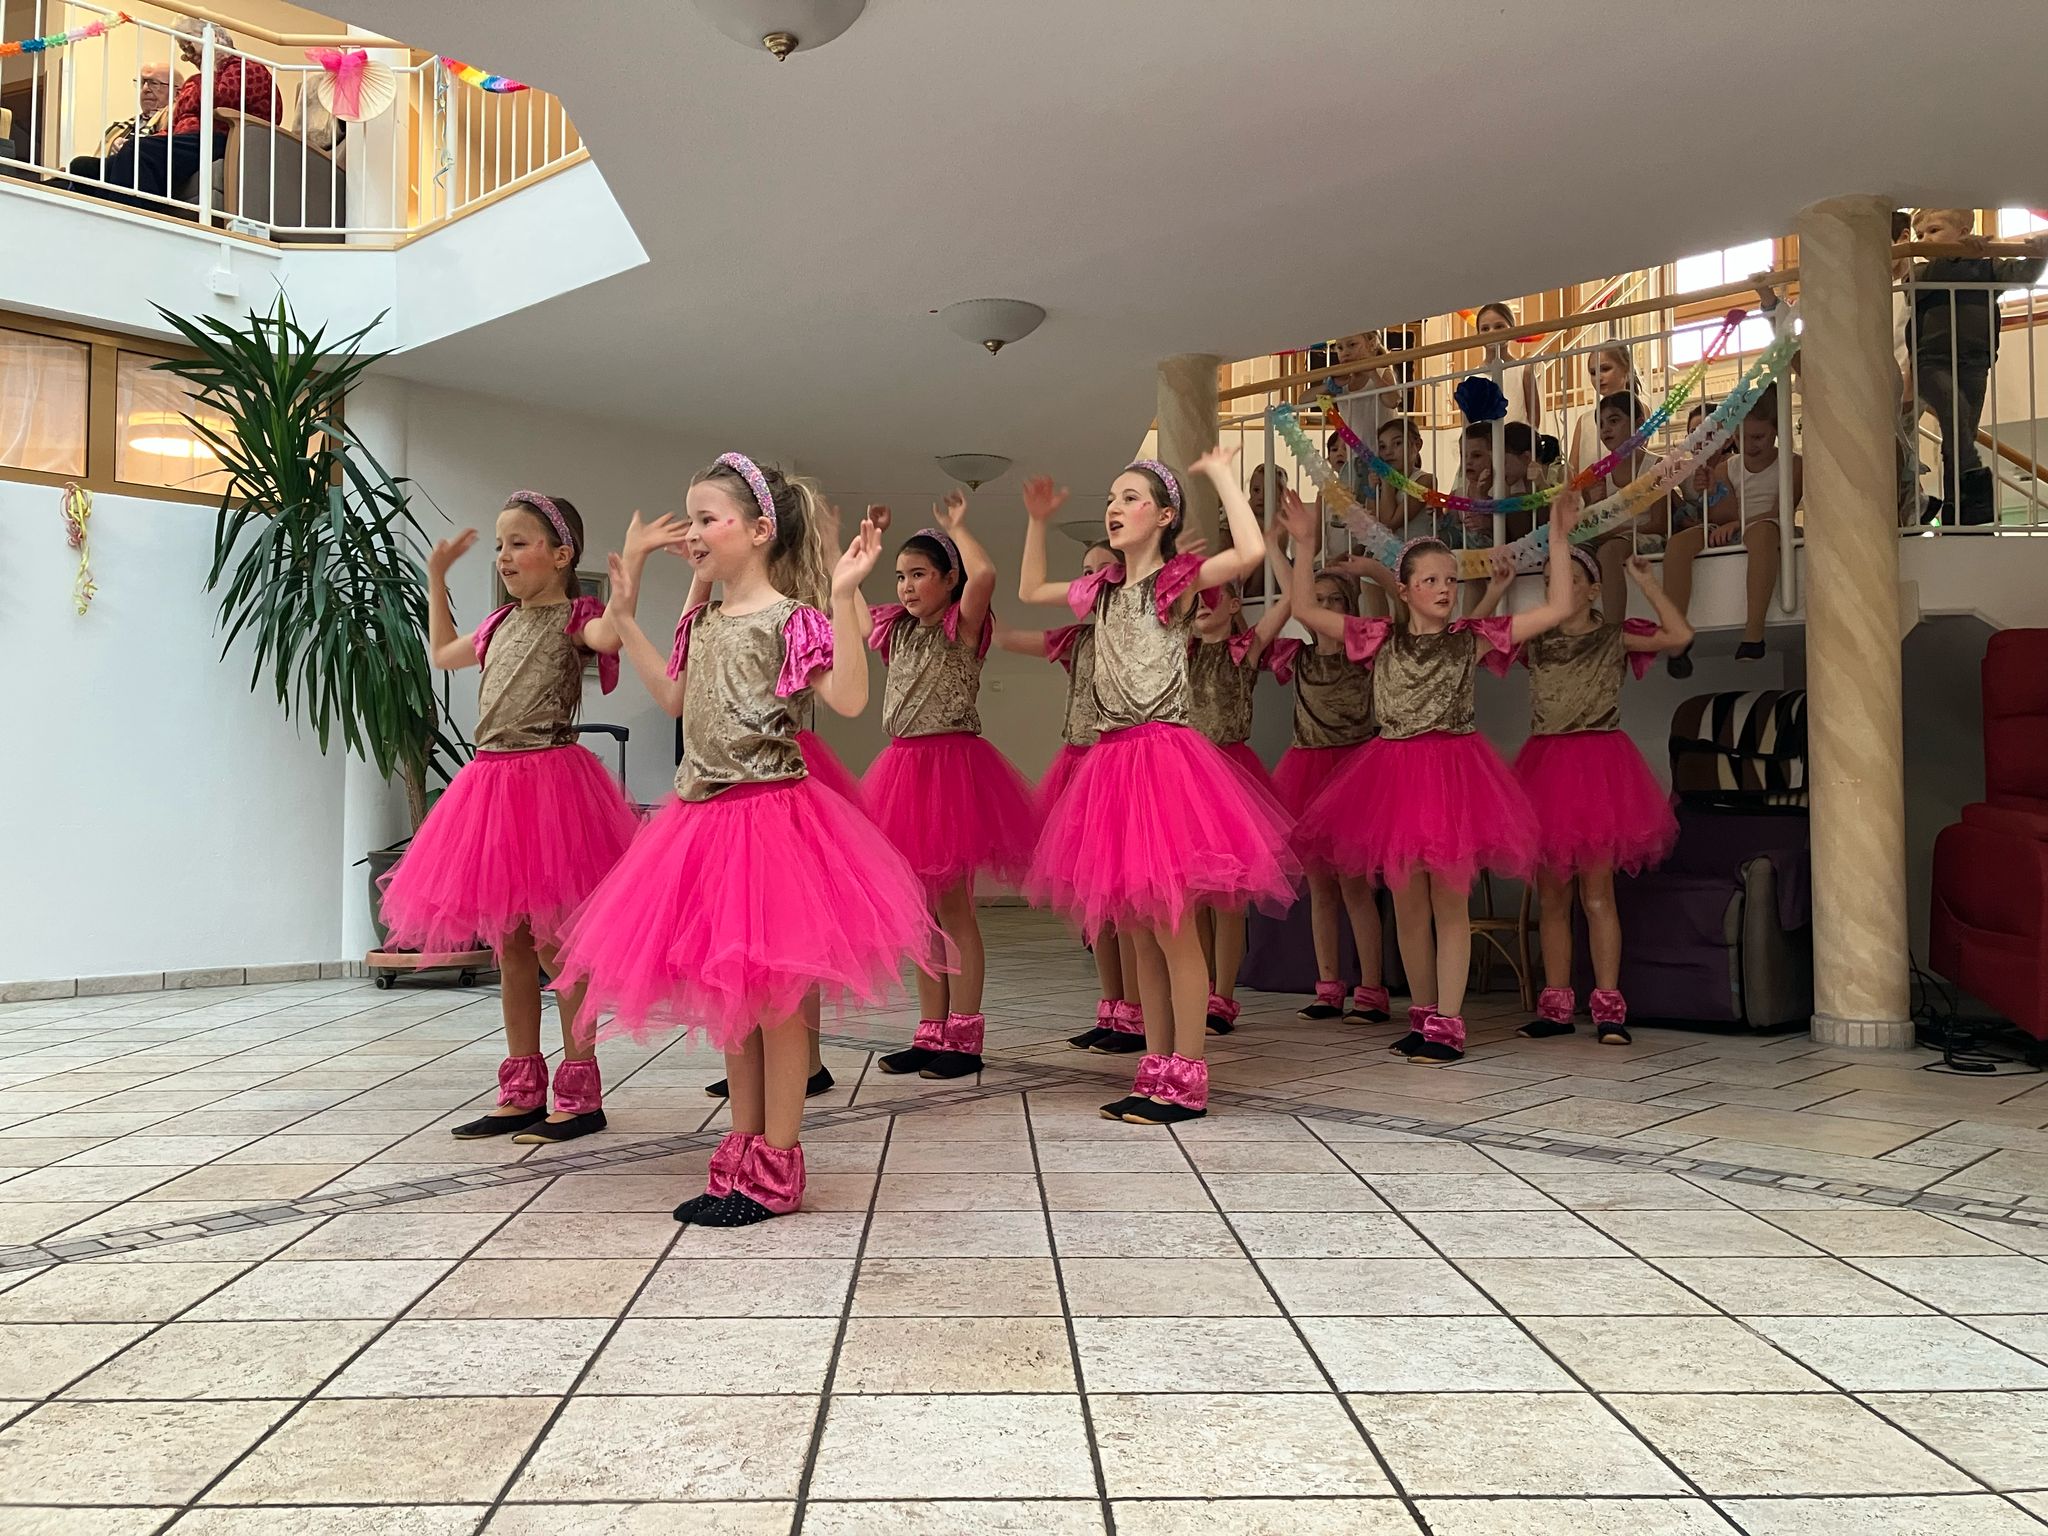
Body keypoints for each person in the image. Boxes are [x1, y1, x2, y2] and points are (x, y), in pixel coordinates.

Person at [550, 455, 942, 1227]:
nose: (693, 533)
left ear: (760, 530)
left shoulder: (791, 620)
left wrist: (842, 594)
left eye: (708, 519)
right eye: (691, 518)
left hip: (772, 823)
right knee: (734, 1001)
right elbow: (674, 697)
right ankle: (741, 1147)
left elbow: (850, 698)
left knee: (779, 1007)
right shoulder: (702, 620)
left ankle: (778, 1164)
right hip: (703, 822)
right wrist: (625, 617)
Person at [1020, 453, 1300, 1123]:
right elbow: (1030, 588)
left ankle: (1187, 1078)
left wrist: (1224, 477)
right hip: (1112, 760)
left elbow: (1249, 552)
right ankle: (1154, 1068)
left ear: (1165, 515)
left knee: (1174, 931)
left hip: (1163, 759)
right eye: (1111, 498)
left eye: (1131, 498)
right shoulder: (1102, 591)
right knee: (1141, 931)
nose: (1114, 508)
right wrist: (1037, 522)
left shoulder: (1175, 582)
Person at [1283, 487, 1581, 1064]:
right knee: (1409, 907)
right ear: (1405, 590)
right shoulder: (1378, 638)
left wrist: (1561, 538)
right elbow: (1305, 611)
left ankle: (1448, 1023)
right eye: (1431, 581)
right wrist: (1302, 544)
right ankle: (1423, 1016)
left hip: (1452, 777)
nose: (1445, 589)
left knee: (1449, 905)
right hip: (1393, 778)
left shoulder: (1470, 639)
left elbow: (1557, 608)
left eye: (1451, 580)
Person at [378, 492, 638, 1145]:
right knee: (512, 946)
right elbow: (444, 653)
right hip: (491, 786)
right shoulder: (498, 624)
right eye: (500, 545)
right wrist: (436, 579)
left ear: (561, 554)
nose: (504, 555)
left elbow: (610, 637)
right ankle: (521, 1089)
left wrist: (628, 580)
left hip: (549, 788)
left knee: (557, 945)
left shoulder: (575, 617)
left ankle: (581, 1092)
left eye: (519, 543)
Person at [1471, 545, 1690, 1045]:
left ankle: (1609, 1007)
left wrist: (1647, 584)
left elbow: (1679, 636)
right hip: (1546, 768)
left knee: (1596, 895)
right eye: (1550, 580)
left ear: (1592, 590)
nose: (1558, 588)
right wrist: (1496, 591)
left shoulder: (1613, 636)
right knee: (1552, 897)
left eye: (1569, 579)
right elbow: (1473, 644)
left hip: (1599, 771)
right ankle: (1556, 1007)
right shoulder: (1537, 640)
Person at [866, 493, 1041, 1082]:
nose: (907, 586)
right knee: (920, 911)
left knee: (953, 906)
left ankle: (964, 1037)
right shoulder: (897, 631)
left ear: (948, 580)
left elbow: (985, 574)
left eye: (919, 574)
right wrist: (862, 552)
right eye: (901, 576)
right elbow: (844, 608)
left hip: (950, 773)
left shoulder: (961, 627)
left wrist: (959, 527)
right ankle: (930, 1030)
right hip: (903, 769)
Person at [998, 541, 1145, 1055]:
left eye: (1104, 568)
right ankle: (1113, 1007)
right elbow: (1008, 638)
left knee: (1126, 901)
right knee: (1093, 901)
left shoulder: (1138, 626)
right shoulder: (1076, 639)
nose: (1093, 578)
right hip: (1079, 771)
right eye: (1085, 571)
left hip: (1122, 767)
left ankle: (1139, 1012)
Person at [1264, 542, 1391, 1028]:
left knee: (1356, 888)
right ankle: (1329, 988)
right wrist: (1278, 547)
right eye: (1317, 599)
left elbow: (1382, 611)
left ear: (1349, 606)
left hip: (1355, 773)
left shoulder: (1365, 653)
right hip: (1307, 772)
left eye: (1335, 599)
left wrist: (1373, 571)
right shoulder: (1297, 655)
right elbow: (1291, 593)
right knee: (1320, 889)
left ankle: (1372, 990)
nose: (1324, 606)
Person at [1187, 578, 1292, 1034]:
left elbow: (1288, 603)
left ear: (1234, 605)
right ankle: (1199, 986)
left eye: (1213, 596)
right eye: (1196, 597)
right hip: (1187, 778)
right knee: (1194, 896)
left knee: (1228, 899)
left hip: (1230, 776)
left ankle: (1223, 998)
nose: (1202, 603)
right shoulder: (1183, 651)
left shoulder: (1242, 649)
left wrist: (1286, 552)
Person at [1909, 208, 2048, 525]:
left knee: (1959, 436)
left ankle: (1959, 513)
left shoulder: (1986, 266)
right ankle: (1974, 479)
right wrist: (1958, 256)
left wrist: (2039, 254)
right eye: (1920, 235)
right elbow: (1926, 282)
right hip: (1932, 361)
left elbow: (2021, 275)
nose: (1925, 239)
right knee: (1956, 414)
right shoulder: (1920, 271)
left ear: (1963, 231)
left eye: (1934, 230)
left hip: (1975, 361)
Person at [66, 20, 277, 214]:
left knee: (139, 151)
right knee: (84, 167)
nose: (186, 56)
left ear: (213, 38)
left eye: (189, 45)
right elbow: (175, 125)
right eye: (183, 49)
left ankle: (129, 220)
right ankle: (109, 216)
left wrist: (209, 63)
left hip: (225, 140)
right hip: (188, 141)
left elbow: (222, 98)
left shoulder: (246, 67)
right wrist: (152, 139)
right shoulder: (200, 79)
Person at [1661, 386, 1803, 672]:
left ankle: (1754, 633)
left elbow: (1782, 511)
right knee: (1678, 543)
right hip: (1737, 525)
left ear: (1777, 430)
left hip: (1769, 527)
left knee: (1761, 532)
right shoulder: (1728, 466)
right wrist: (1711, 491)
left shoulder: (1793, 464)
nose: (1749, 445)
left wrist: (1739, 523)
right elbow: (1721, 515)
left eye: (1758, 437)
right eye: (1741, 437)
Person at [1475, 302, 1542, 430]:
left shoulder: (1523, 370)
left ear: (1511, 329)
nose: (1492, 332)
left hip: (1517, 441)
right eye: (1485, 329)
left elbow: (1534, 422)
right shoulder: (1471, 378)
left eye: (1499, 326)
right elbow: (1469, 427)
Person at [97, 63, 182, 158]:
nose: (145, 89)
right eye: (142, 82)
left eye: (154, 83)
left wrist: (135, 147)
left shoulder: (180, 125)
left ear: (178, 93)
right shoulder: (117, 129)